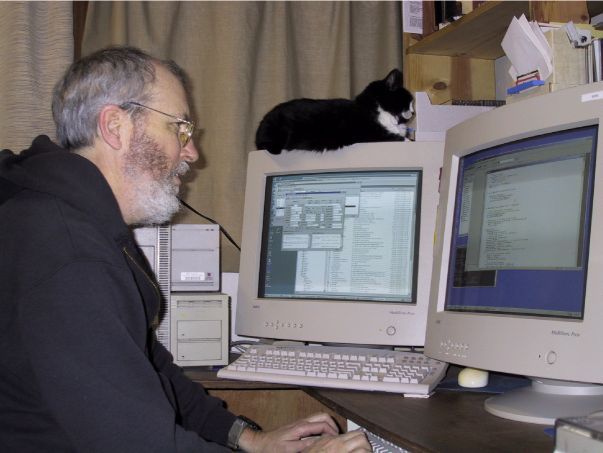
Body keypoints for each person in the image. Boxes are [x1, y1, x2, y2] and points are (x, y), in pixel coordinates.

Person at [0, 46, 372, 453]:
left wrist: (248, 438)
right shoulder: (69, 254)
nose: (192, 152)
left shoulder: (75, 219)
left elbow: (145, 363)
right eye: (179, 129)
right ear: (116, 126)